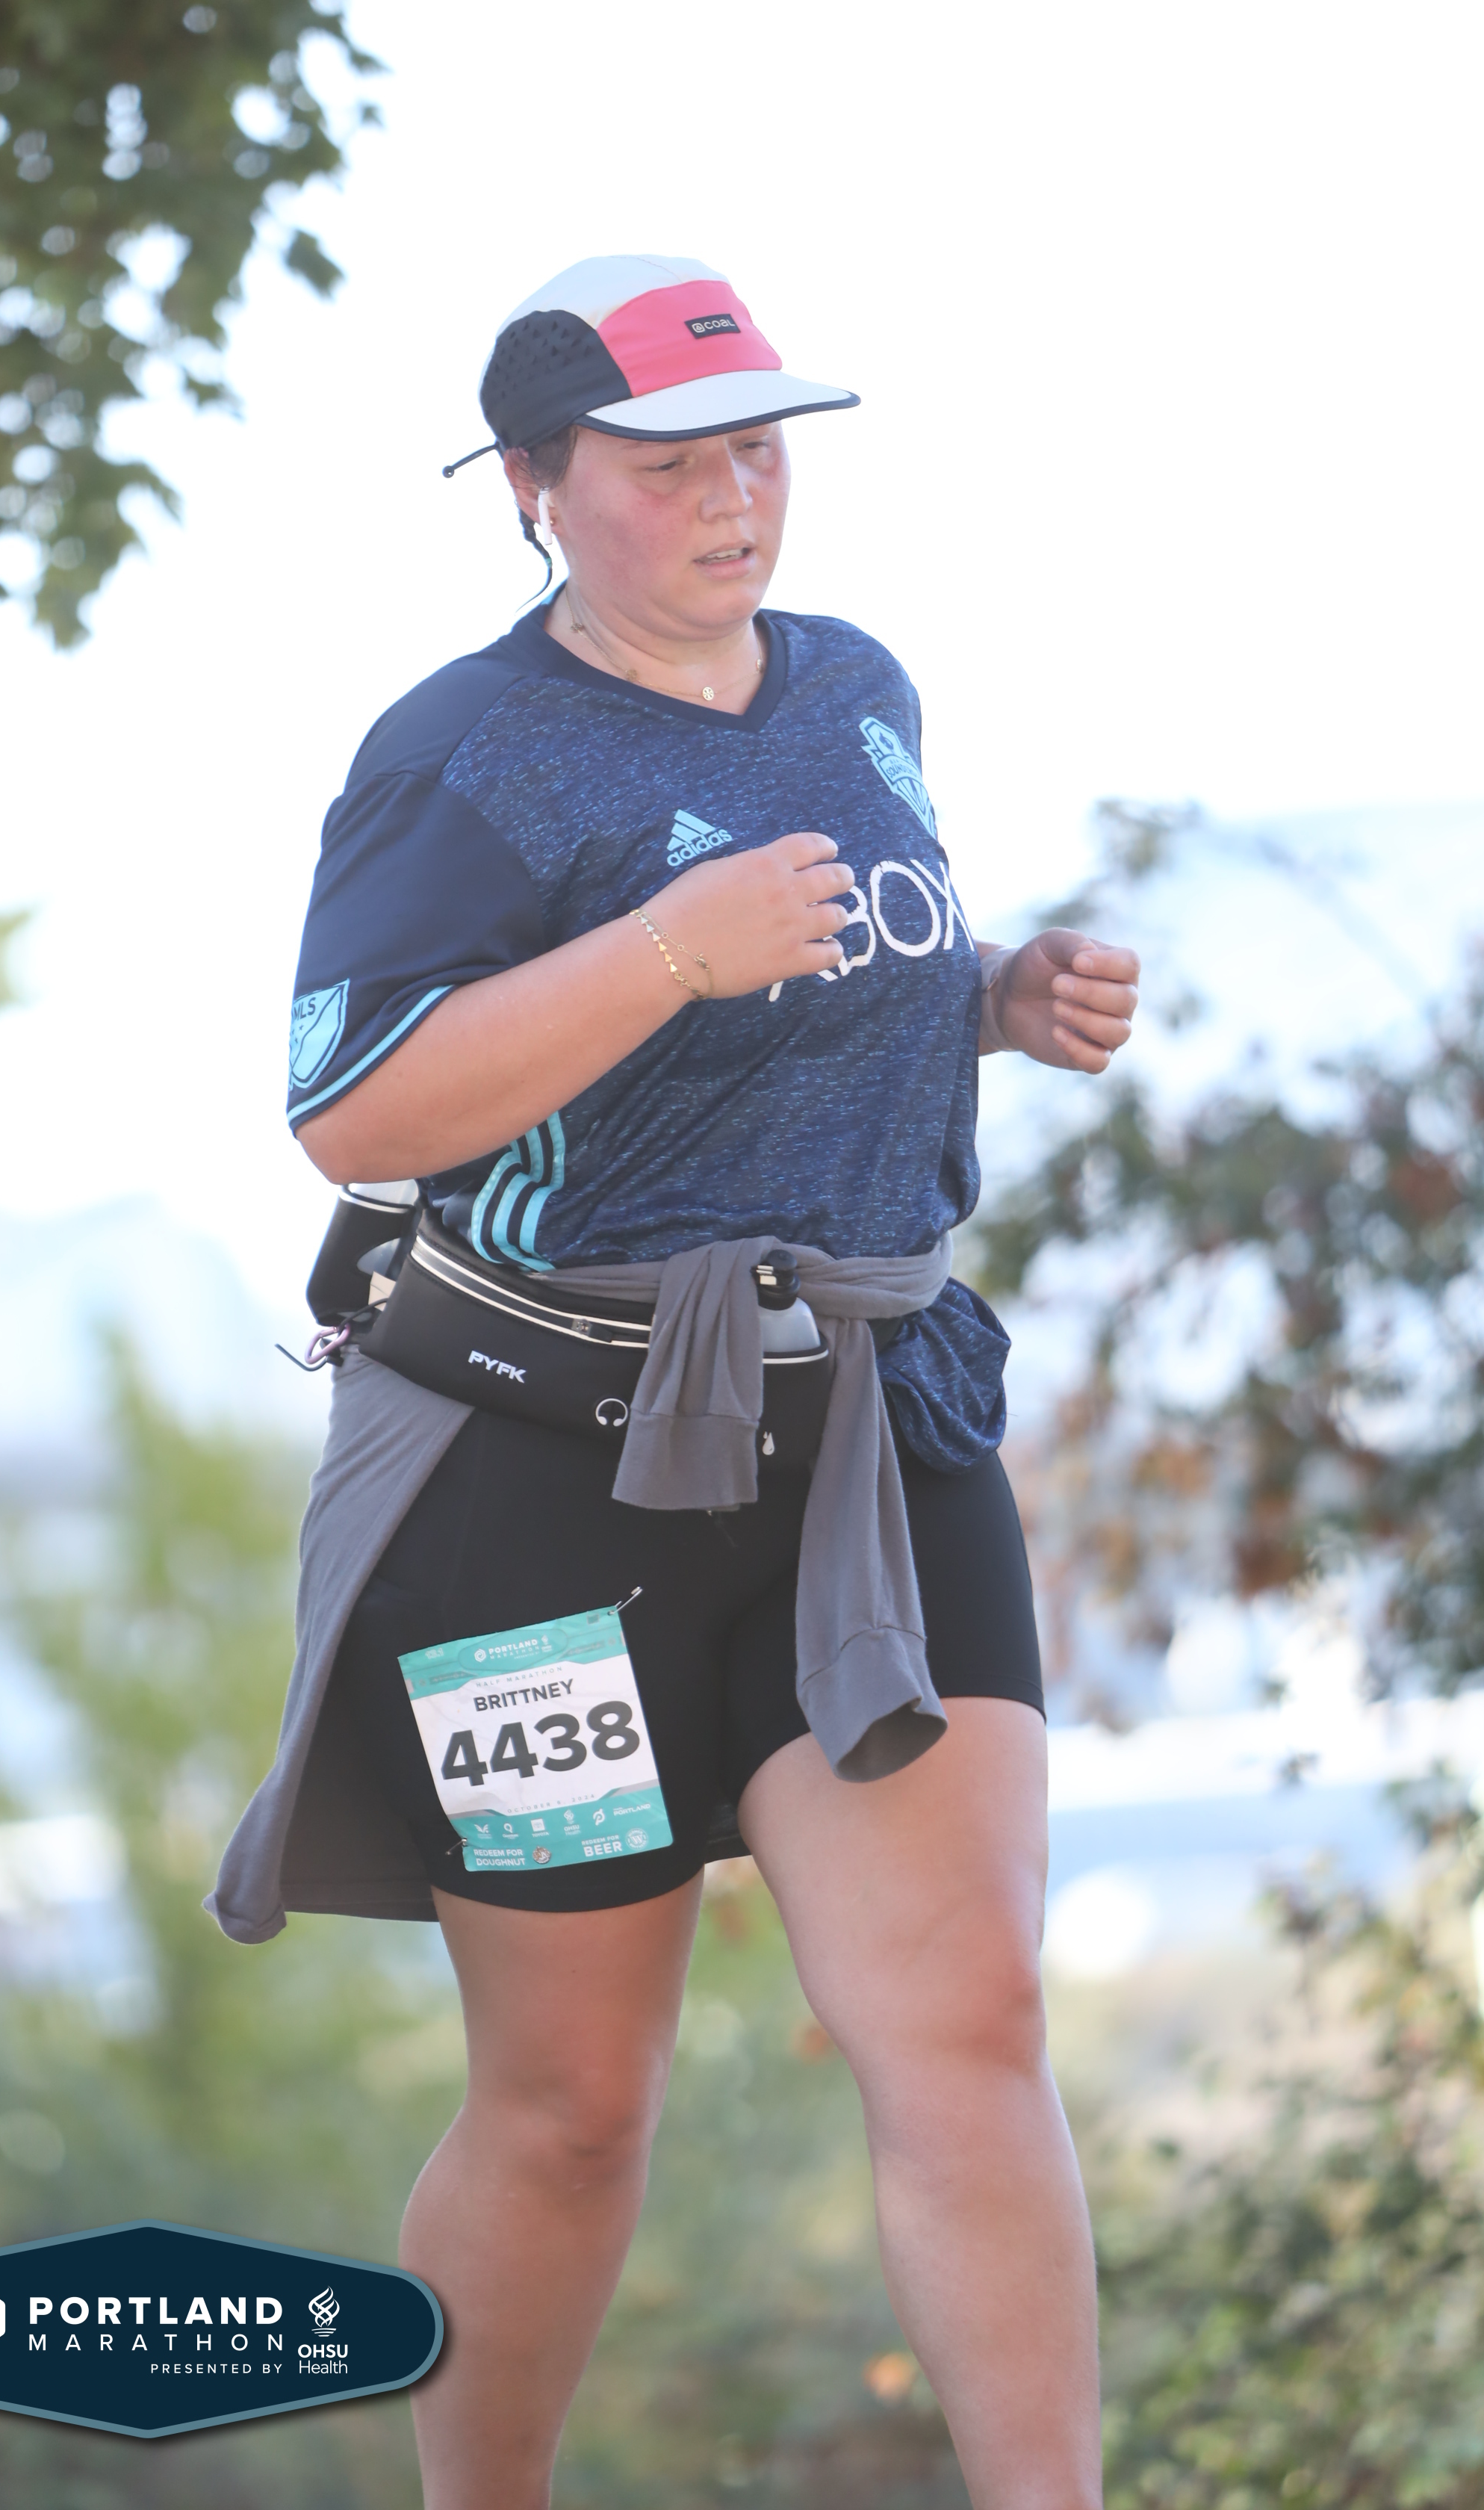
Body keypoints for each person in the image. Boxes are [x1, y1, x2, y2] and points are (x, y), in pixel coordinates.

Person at [212, 254, 1140, 2510]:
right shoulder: (459, 748)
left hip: (875, 1441)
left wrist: (991, 992)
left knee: (969, 2027)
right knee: (571, 2107)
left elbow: (821, 978)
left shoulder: (856, 683)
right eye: (669, 464)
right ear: (534, 486)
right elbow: (354, 1111)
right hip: (541, 1490)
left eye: (758, 449)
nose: (736, 498)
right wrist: (657, 954)